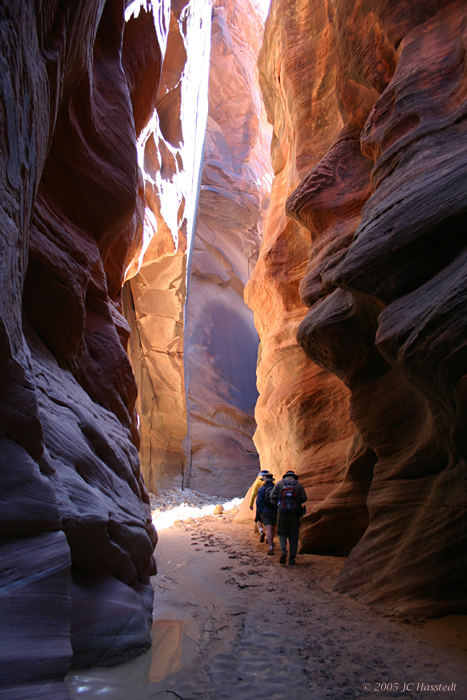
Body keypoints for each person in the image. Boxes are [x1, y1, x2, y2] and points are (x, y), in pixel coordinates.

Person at [270, 470, 306, 565]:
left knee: (282, 534)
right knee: (294, 535)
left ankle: (283, 551)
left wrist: (279, 502)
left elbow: (272, 496)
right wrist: (296, 501)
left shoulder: (279, 483)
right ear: (294, 476)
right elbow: (304, 498)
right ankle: (291, 559)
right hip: (294, 514)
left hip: (282, 512)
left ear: (285, 476)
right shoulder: (298, 485)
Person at [255, 472, 277, 555]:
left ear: (264, 480)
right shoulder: (276, 488)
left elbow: (258, 502)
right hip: (275, 511)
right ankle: (271, 540)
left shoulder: (262, 489)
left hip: (265, 511)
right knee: (273, 527)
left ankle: (270, 547)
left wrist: (260, 511)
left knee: (268, 528)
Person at [249, 469, 269, 541]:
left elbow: (254, 493)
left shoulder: (258, 482)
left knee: (258, 519)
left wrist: (251, 504)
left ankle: (261, 532)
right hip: (270, 504)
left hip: (260, 504)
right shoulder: (273, 482)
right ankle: (267, 535)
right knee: (268, 521)